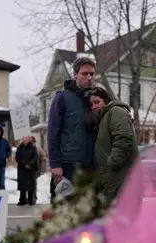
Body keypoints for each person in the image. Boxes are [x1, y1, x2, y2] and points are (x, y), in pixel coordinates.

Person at [47, 56, 97, 198]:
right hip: (68, 166)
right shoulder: (62, 98)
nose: (89, 77)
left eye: (92, 74)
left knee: (87, 213)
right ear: (75, 74)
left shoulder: (95, 100)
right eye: (84, 73)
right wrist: (55, 163)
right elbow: (52, 132)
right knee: (65, 213)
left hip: (90, 166)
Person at [87, 87, 139, 204]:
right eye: (91, 104)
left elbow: (123, 137)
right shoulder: (102, 120)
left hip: (122, 181)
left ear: (106, 101)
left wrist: (113, 162)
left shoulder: (115, 111)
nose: (94, 107)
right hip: (112, 182)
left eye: (97, 102)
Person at [15, 136, 39, 206]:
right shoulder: (19, 148)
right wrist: (24, 164)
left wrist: (30, 164)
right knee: (22, 185)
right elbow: (17, 158)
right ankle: (22, 200)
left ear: (29, 139)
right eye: (23, 138)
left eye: (26, 138)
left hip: (30, 169)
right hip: (22, 169)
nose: (25, 140)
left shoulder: (33, 147)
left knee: (31, 185)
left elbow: (35, 157)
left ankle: (30, 200)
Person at [30, 135, 48, 203]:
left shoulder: (39, 150)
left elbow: (43, 160)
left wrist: (42, 170)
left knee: (33, 184)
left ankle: (33, 197)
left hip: (35, 170)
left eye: (33, 142)